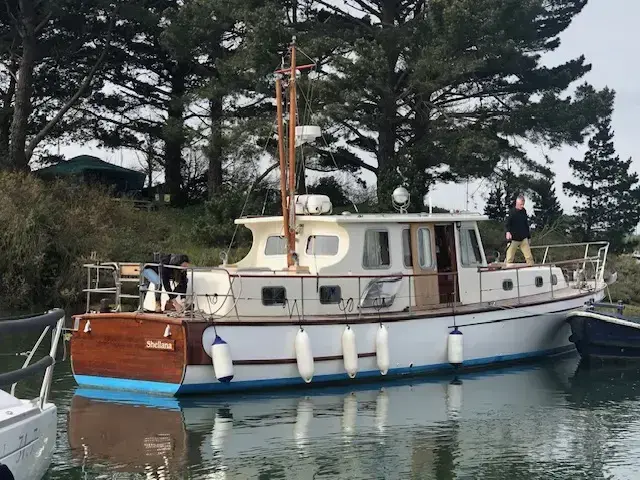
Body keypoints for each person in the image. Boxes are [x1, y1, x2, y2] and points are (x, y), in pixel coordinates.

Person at [505, 194, 534, 266]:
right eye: (521, 204)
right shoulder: (511, 212)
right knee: (509, 257)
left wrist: (529, 237)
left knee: (529, 257)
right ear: (517, 203)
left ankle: (531, 268)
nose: (522, 206)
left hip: (523, 238)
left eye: (523, 204)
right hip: (513, 239)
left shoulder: (524, 211)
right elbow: (507, 223)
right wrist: (508, 232)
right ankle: (507, 269)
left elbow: (526, 224)